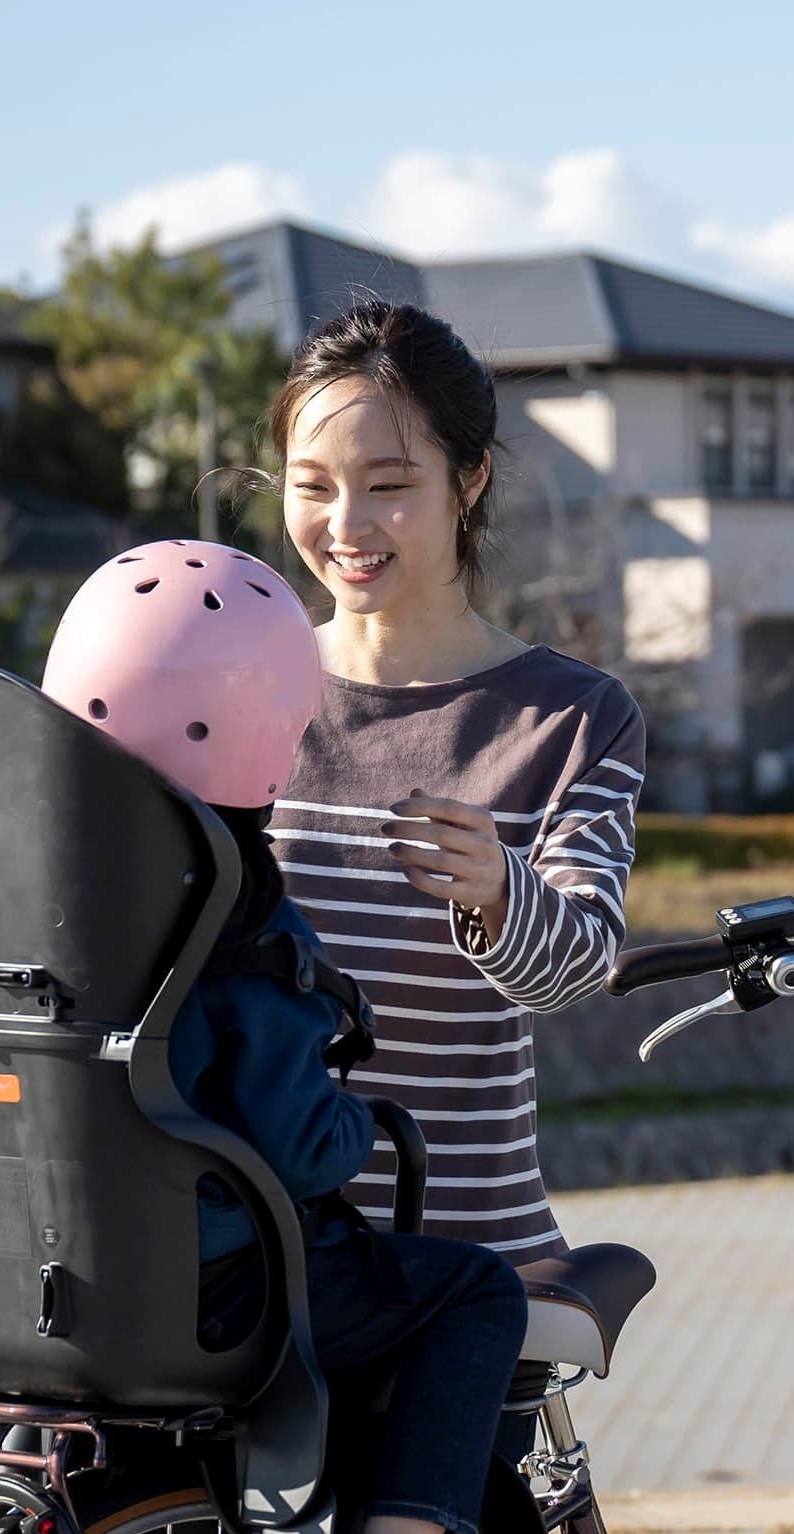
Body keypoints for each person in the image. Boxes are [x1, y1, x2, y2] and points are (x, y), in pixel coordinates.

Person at [41, 538, 526, 1534]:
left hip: (44, 1275)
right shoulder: (232, 905)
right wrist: (355, 1122)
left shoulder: (42, 875)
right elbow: (298, 1143)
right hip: (216, 1287)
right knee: (471, 1295)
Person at [267, 303, 647, 1265]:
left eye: (389, 485)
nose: (345, 526)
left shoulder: (570, 718)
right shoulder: (240, 689)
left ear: (468, 480)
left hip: (468, 1261)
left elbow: (578, 964)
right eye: (312, 486)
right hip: (253, 1259)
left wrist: (498, 889)